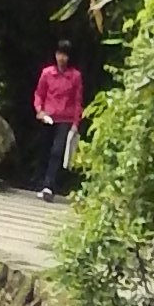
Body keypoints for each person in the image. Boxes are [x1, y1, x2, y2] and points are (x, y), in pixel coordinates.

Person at [30, 48, 87, 196]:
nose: (62, 58)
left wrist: (76, 123)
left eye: (65, 55)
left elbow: (77, 101)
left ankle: (49, 185)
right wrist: (39, 110)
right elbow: (39, 94)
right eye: (59, 54)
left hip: (65, 119)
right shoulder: (47, 73)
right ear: (55, 55)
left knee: (57, 151)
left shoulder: (75, 76)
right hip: (48, 117)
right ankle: (39, 181)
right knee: (44, 150)